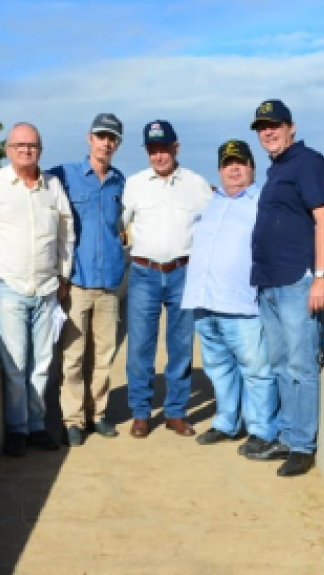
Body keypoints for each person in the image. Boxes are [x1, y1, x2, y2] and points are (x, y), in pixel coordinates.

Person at [0, 122, 74, 457]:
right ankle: (17, 428)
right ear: (8, 150)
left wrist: (64, 277)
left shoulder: (51, 187)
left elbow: (65, 234)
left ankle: (37, 424)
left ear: (40, 150)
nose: (26, 150)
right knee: (15, 363)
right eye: (20, 145)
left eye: (33, 146)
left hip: (45, 287)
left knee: (43, 362)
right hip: (8, 286)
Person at [245, 99, 324, 477]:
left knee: (300, 364)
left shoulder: (309, 162)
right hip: (270, 283)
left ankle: (302, 445)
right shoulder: (277, 169)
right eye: (262, 126)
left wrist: (321, 276)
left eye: (275, 124)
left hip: (298, 282)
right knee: (281, 363)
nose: (268, 131)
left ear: (291, 127)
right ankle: (286, 433)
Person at [181, 140, 278, 449]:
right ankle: (227, 422)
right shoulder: (212, 202)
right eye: (227, 163)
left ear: (252, 167)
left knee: (256, 370)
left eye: (240, 162)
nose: (233, 168)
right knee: (218, 369)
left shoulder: (263, 201)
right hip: (204, 301)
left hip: (242, 303)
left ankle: (262, 430)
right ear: (220, 170)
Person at [121, 120, 213, 438]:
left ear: (176, 147)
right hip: (144, 273)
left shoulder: (197, 184)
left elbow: (215, 222)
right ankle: (141, 412)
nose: (159, 156)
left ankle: (175, 412)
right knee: (140, 348)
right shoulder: (133, 185)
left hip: (183, 273)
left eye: (164, 149)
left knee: (181, 347)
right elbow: (117, 224)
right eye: (153, 150)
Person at [49, 114, 128, 447]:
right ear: (89, 139)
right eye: (101, 136)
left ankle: (98, 415)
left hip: (110, 282)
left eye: (112, 138)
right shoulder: (64, 175)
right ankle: (72, 420)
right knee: (73, 355)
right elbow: (24, 176)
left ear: (117, 144)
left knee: (104, 354)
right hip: (77, 282)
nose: (106, 143)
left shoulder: (120, 182)